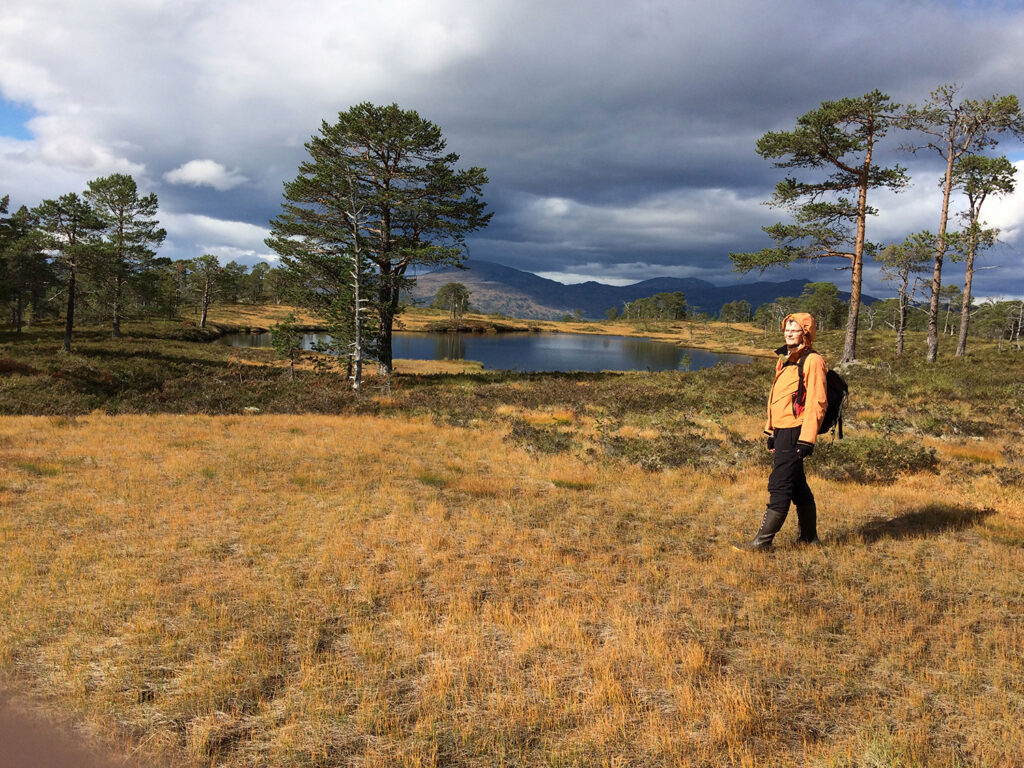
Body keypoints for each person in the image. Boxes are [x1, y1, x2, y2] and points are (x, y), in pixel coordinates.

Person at [734, 312, 827, 552]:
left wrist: (807, 439)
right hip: (784, 429)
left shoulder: (813, 361)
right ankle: (809, 538)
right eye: (787, 329)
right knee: (797, 485)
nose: (788, 333)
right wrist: (773, 431)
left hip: (797, 430)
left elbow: (818, 401)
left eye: (794, 330)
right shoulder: (786, 359)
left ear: (805, 334)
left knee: (780, 483)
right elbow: (782, 398)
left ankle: (762, 542)